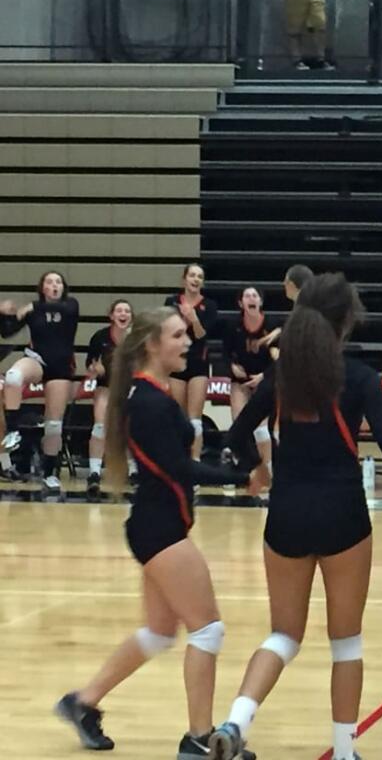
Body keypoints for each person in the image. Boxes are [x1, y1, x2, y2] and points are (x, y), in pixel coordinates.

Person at [208, 274, 382, 760]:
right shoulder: (357, 378)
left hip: (287, 517)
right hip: (343, 519)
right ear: (347, 321)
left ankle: (235, 721)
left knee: (283, 634)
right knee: (346, 643)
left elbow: (233, 436)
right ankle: (343, 750)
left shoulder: (282, 375)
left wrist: (257, 471)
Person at [54, 307, 251, 757]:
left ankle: (81, 704)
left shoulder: (154, 394)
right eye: (178, 335)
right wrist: (242, 481)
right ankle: (199, 739)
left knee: (161, 633)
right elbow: (179, 469)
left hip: (158, 524)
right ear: (152, 345)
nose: (187, 342)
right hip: (158, 528)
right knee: (208, 631)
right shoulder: (148, 401)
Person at [0, 270, 80, 489]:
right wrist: (4, 314)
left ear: (63, 288)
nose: (54, 285)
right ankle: (14, 430)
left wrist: (32, 307)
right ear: (42, 287)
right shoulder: (32, 310)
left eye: (58, 282)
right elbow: (6, 332)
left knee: (53, 425)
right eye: (49, 281)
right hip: (38, 360)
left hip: (60, 368)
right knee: (14, 375)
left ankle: (49, 472)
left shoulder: (70, 305)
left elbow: (60, 309)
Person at [164, 263, 218, 462]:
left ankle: (195, 463)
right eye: (192, 275)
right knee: (179, 416)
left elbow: (202, 334)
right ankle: (180, 460)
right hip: (177, 363)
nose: (196, 279)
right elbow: (168, 332)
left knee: (195, 419)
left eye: (200, 277)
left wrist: (193, 319)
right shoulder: (171, 302)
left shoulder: (210, 305)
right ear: (184, 279)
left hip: (198, 363)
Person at [84, 298, 134, 497]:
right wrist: (95, 369)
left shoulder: (137, 338)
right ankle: (95, 472)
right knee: (99, 426)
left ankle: (134, 471)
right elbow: (89, 366)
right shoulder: (100, 337)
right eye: (119, 310)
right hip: (105, 387)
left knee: (132, 426)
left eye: (127, 311)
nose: (123, 314)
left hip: (130, 389)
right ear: (112, 316)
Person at [223, 287, 276, 469]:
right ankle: (247, 466)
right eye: (247, 296)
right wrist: (231, 366)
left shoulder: (271, 324)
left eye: (255, 295)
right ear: (240, 303)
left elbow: (279, 358)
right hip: (241, 381)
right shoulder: (232, 325)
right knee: (239, 425)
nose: (251, 298)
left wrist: (263, 377)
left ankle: (267, 466)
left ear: (260, 302)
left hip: (265, 379)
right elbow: (225, 353)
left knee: (261, 427)